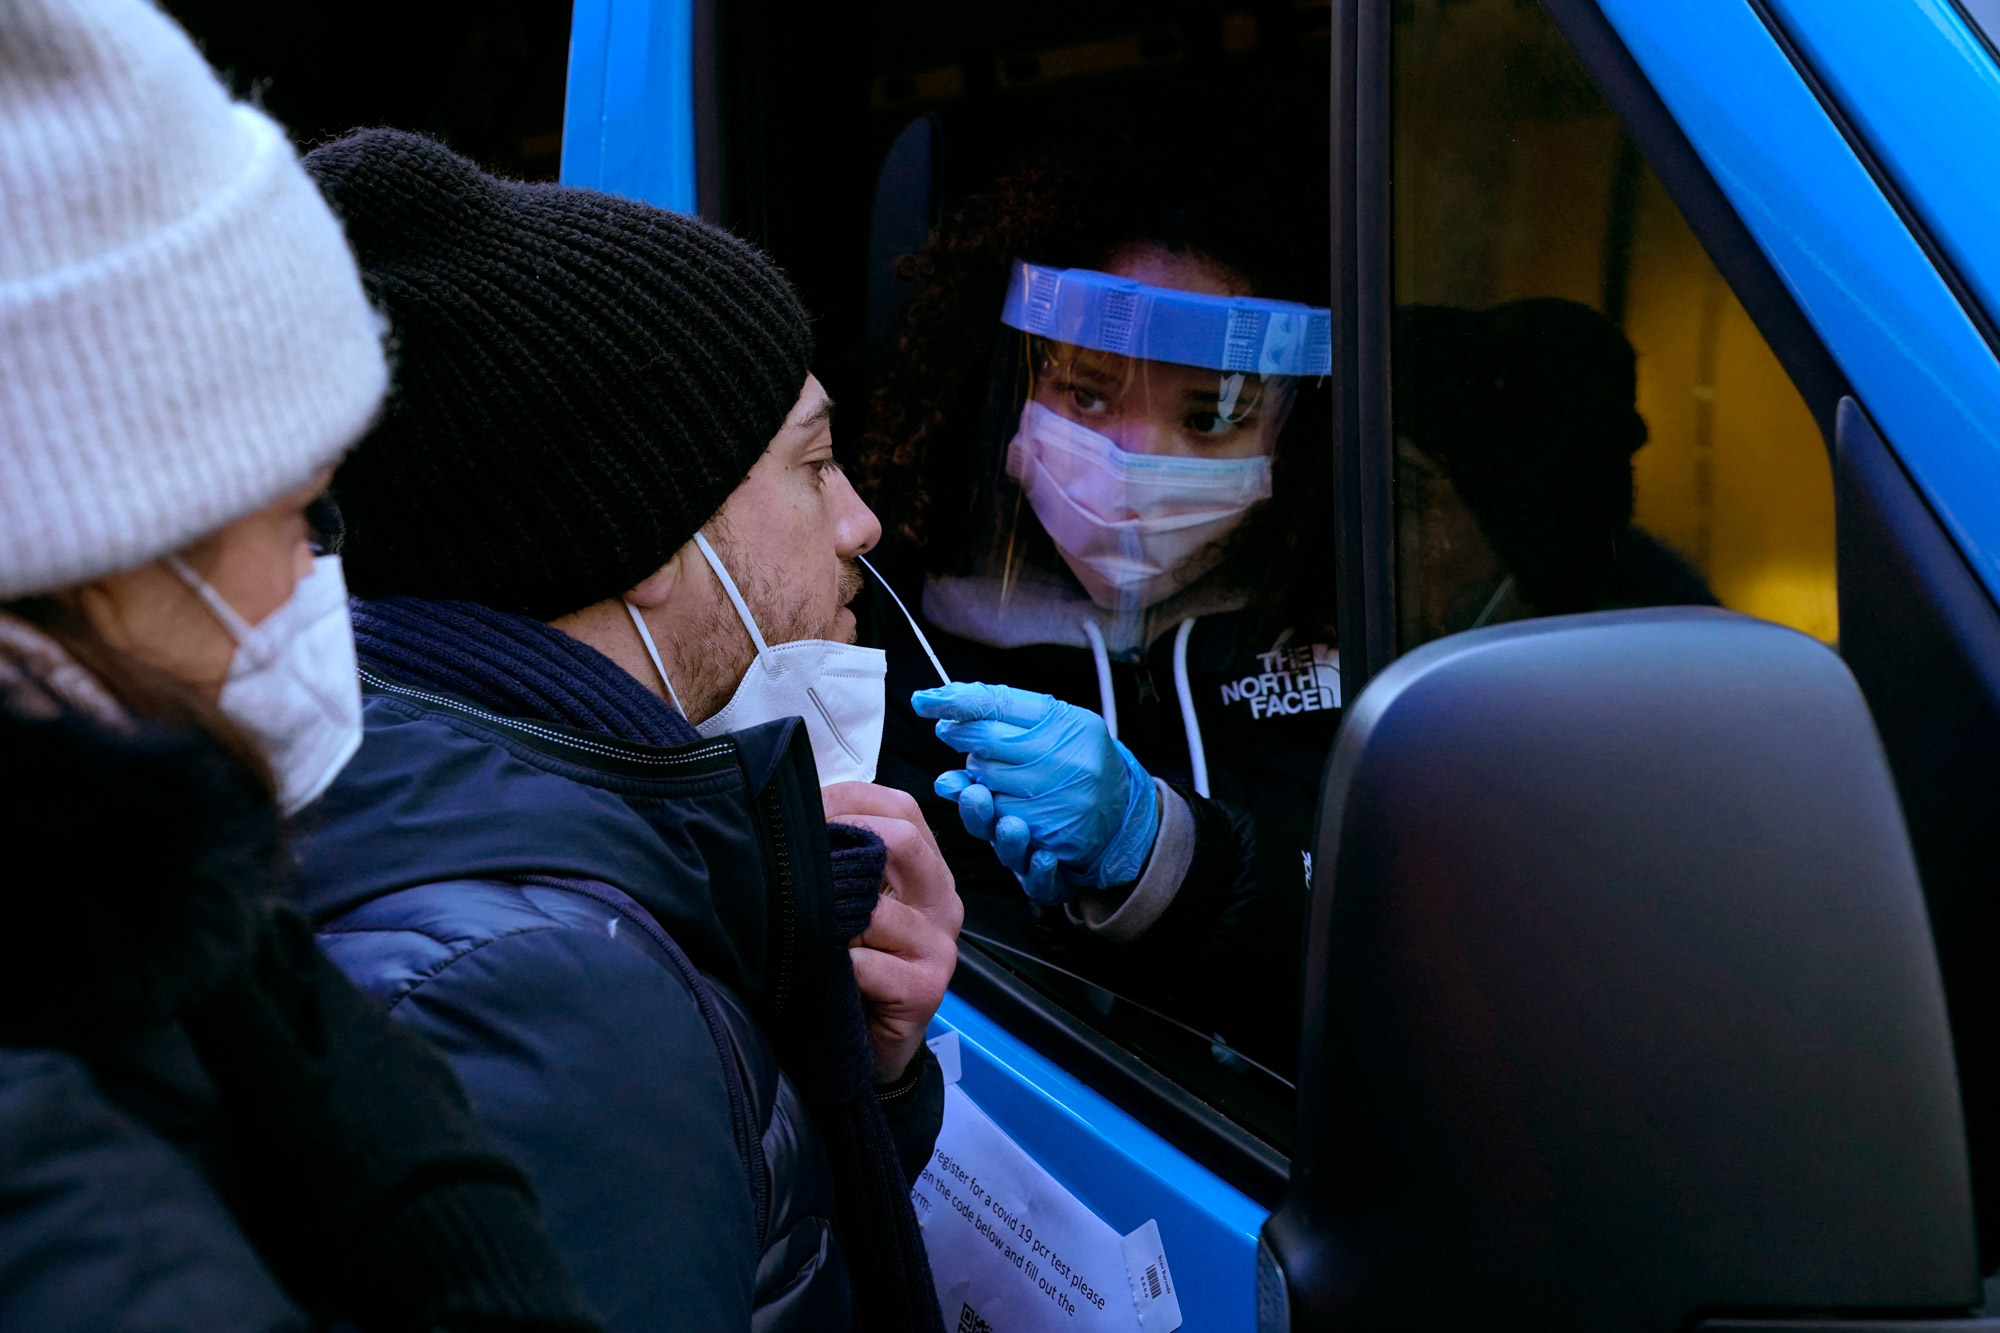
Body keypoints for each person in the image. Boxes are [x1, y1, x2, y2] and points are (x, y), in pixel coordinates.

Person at [288, 130, 960, 1333]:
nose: (858, 519)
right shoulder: (545, 996)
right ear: (652, 539)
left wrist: (856, 1069)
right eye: (812, 464)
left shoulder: (470, 829)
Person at [0, 4, 598, 1330]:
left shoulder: (145, 956)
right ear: (99, 538)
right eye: (296, 516)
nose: (321, 578)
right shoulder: (60, 1198)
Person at [856, 124, 1335, 1075]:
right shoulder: (904, 641)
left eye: (1209, 417)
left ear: (1291, 434)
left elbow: (1380, 931)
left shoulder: (1341, 637)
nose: (1134, 457)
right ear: (1010, 392)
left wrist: (1157, 848)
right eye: (1086, 394)